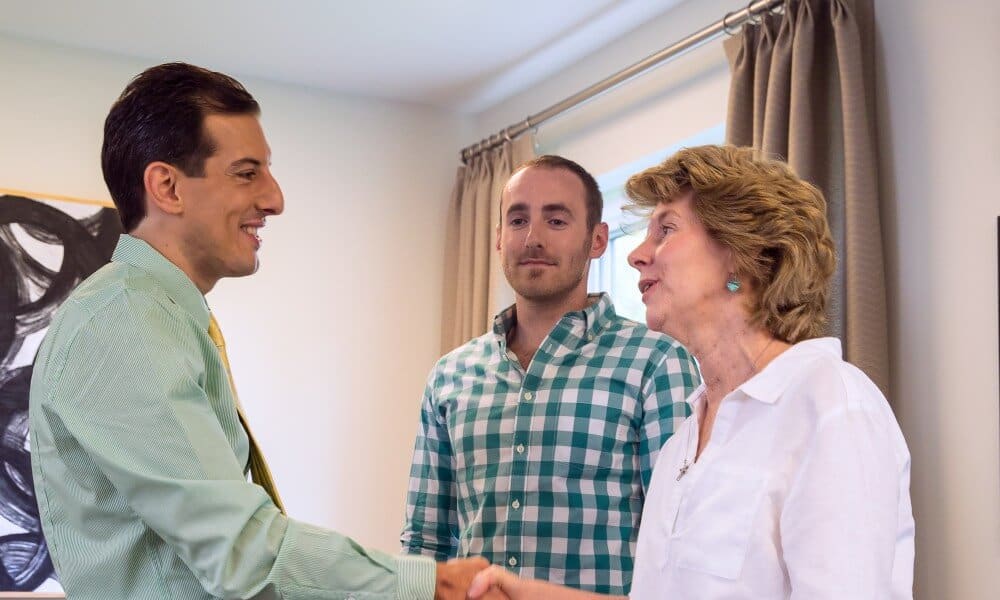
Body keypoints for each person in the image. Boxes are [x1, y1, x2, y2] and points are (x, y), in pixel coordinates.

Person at [29, 62, 495, 600]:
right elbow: (243, 552)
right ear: (167, 187)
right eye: (247, 173)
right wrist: (423, 585)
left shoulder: (156, 316)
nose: (275, 199)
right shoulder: (124, 322)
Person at [465, 145, 915, 599]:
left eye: (666, 230)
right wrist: (525, 593)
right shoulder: (684, 441)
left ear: (740, 254)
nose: (636, 254)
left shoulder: (832, 406)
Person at [401, 155, 701, 595]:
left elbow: (682, 541)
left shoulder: (655, 362)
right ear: (499, 238)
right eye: (518, 220)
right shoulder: (450, 376)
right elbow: (425, 545)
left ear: (597, 240)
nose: (533, 237)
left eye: (556, 221)